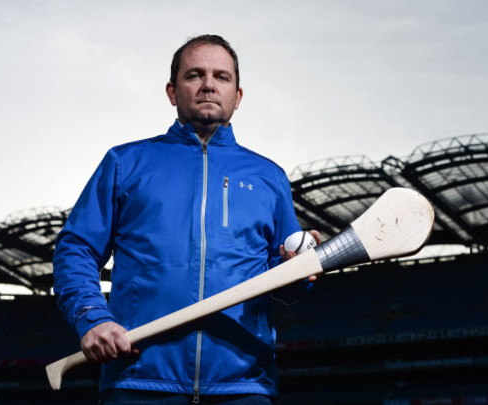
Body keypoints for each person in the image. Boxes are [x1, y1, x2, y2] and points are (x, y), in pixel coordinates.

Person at [53, 34, 319, 405]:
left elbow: (282, 280)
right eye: (195, 75)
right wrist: (92, 317)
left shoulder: (269, 177)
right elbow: (77, 248)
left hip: (244, 388)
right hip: (138, 383)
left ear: (238, 96)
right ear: (172, 91)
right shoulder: (125, 163)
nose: (209, 84)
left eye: (222, 77)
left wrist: (297, 274)